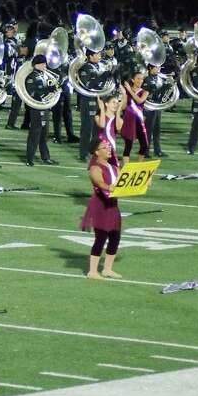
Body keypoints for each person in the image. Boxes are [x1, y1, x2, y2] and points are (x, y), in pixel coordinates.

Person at [81, 139, 122, 280]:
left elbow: (125, 183)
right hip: (100, 205)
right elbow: (99, 183)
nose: (109, 149)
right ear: (97, 152)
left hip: (113, 205)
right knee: (101, 236)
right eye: (105, 147)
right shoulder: (95, 168)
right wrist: (110, 187)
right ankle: (92, 271)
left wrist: (144, 182)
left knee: (115, 236)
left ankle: (107, 269)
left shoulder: (115, 167)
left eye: (109, 147)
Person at [120, 73, 149, 164]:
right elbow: (123, 107)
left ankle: (139, 165)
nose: (140, 81)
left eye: (142, 79)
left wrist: (129, 90)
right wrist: (124, 94)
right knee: (128, 145)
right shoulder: (126, 91)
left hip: (139, 121)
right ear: (133, 80)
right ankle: (126, 167)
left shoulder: (144, 92)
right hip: (129, 120)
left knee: (144, 144)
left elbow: (140, 100)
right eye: (138, 78)